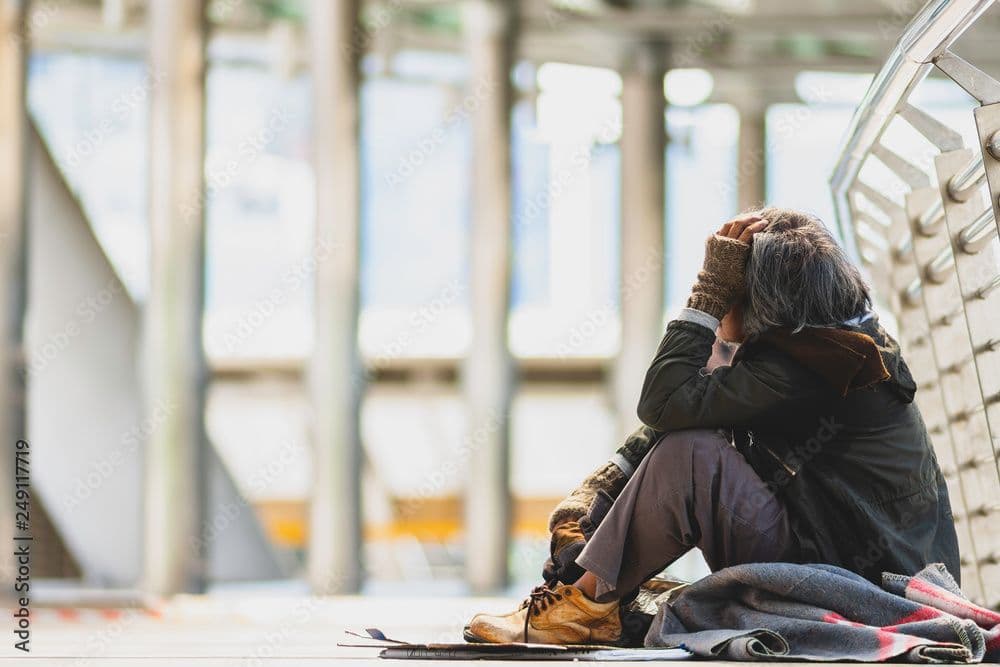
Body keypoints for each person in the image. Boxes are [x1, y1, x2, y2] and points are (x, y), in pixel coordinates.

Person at [464, 207, 960, 645]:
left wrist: (706, 294)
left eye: (728, 290)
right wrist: (597, 492)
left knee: (692, 456)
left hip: (863, 584)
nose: (719, 305)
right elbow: (686, 410)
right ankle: (585, 599)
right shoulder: (824, 344)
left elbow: (664, 404)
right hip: (846, 558)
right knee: (689, 455)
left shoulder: (813, 364)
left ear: (760, 301)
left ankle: (583, 611)